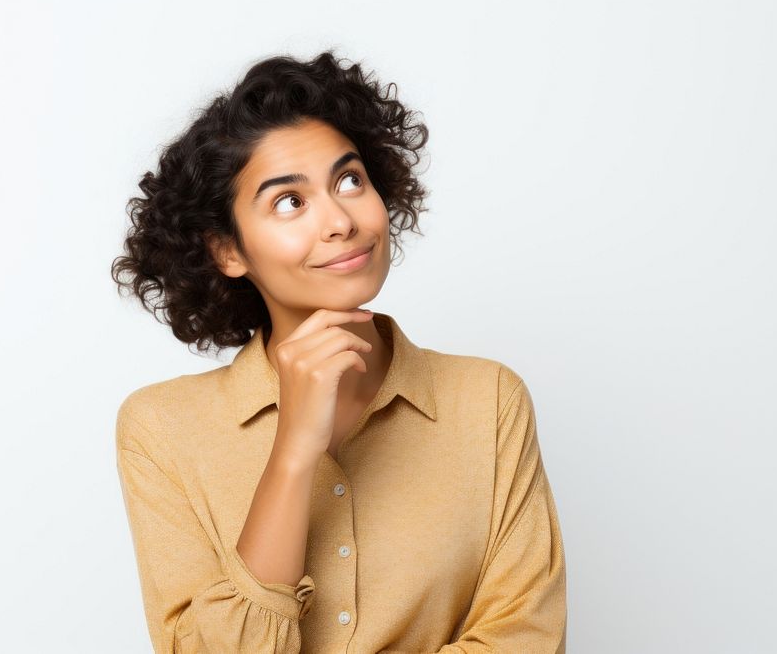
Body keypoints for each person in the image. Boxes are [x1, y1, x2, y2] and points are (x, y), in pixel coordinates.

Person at [110, 49, 567, 653]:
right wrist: (295, 450)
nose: (340, 220)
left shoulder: (487, 400)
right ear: (228, 251)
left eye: (350, 180)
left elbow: (525, 638)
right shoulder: (161, 429)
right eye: (290, 202)